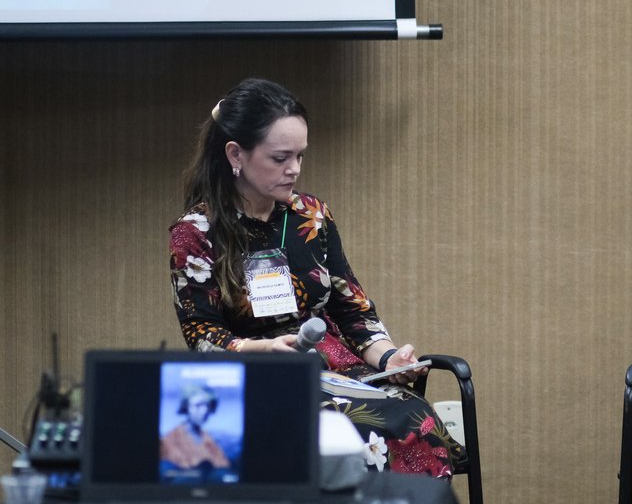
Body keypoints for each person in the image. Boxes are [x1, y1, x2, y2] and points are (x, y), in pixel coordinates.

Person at [169, 78, 463, 477]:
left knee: (412, 416)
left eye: (300, 156)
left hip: (334, 365)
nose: (294, 170)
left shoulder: (311, 216)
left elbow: (352, 308)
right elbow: (201, 334)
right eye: (280, 158)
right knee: (355, 429)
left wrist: (390, 357)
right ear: (236, 154)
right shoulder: (196, 231)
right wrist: (261, 349)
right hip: (255, 376)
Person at [159, 384, 234, 482]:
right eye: (198, 405)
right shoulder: (170, 440)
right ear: (186, 407)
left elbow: (223, 466)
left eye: (208, 406)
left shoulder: (208, 438)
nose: (204, 411)